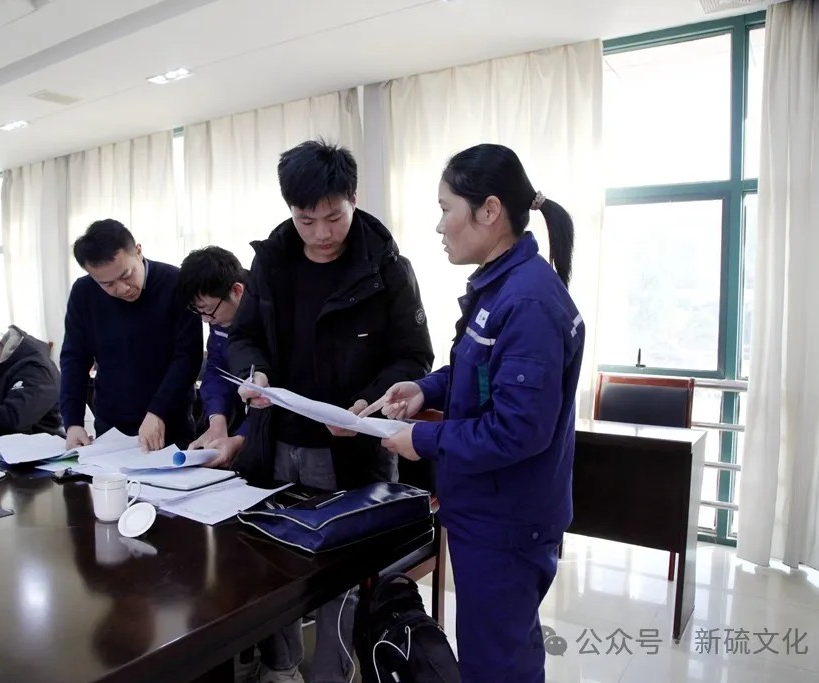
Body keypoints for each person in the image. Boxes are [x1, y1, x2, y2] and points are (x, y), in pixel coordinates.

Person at [361, 144, 584, 683]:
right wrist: (423, 389)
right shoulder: (501, 285)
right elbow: (476, 373)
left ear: (489, 210)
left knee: (496, 665)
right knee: (502, 649)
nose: (440, 226)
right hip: (490, 509)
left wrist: (421, 441)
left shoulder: (527, 301)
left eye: (446, 209)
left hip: (506, 519)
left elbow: (517, 430)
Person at [229, 139, 434, 682]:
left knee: (342, 578)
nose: (321, 233)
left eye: (334, 217)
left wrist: (370, 402)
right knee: (270, 559)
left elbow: (415, 355)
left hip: (350, 450)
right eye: (306, 220)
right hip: (276, 442)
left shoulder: (387, 267)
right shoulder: (272, 262)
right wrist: (255, 374)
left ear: (354, 198)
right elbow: (243, 336)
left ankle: (330, 676)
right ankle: (280, 668)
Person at [61, 219, 203, 451]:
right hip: (111, 427)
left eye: (126, 275)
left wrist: (158, 411)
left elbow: (188, 357)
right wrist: (73, 422)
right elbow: (74, 359)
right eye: (107, 284)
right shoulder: (83, 293)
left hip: (169, 423)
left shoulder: (176, 283)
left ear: (138, 251)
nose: (122, 288)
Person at [175, 246, 249, 469]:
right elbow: (217, 370)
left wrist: (242, 438)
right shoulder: (220, 316)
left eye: (208, 310)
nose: (206, 320)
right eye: (199, 311)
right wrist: (217, 419)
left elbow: (274, 390)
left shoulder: (269, 312)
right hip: (237, 419)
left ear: (237, 291)